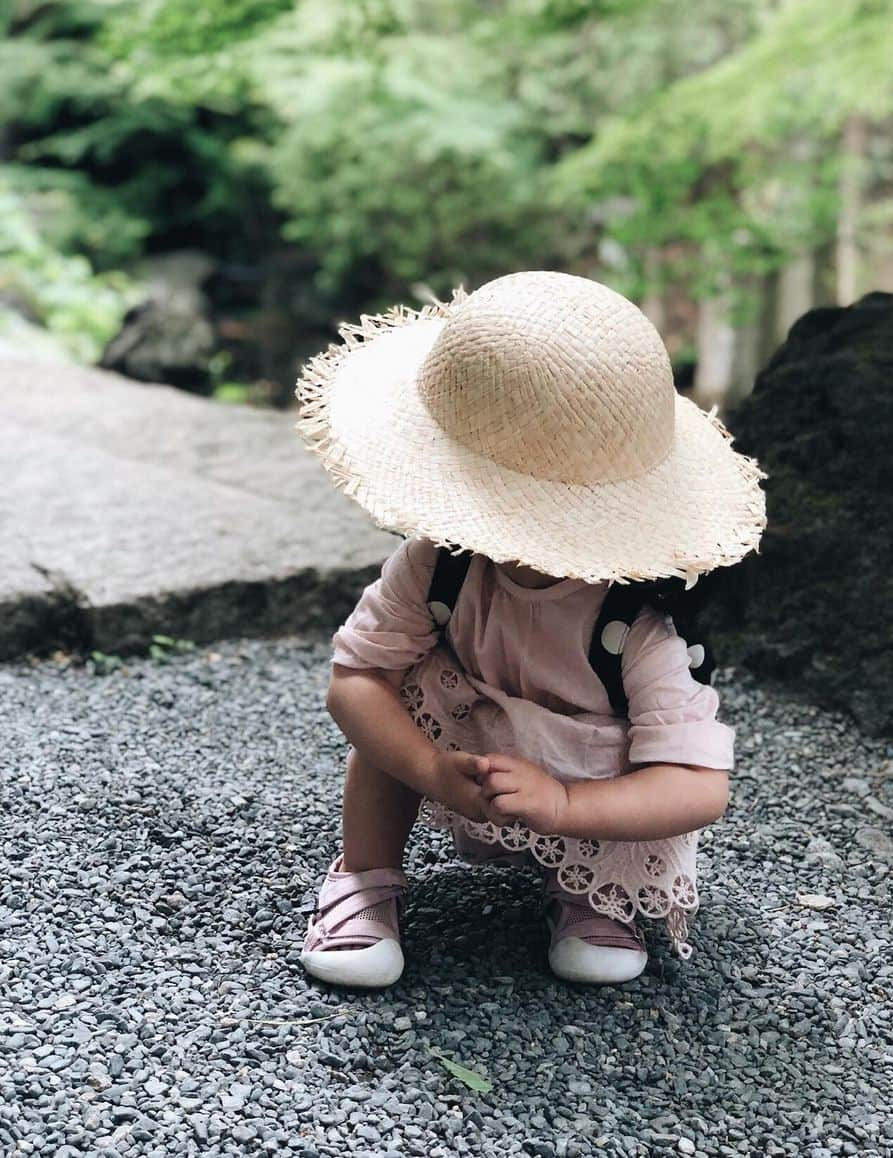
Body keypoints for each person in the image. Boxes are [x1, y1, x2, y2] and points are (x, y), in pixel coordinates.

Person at [295, 270, 766, 987]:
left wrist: (567, 805)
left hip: (594, 789)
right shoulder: (441, 566)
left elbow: (699, 786)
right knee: (396, 707)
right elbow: (356, 680)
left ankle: (592, 892)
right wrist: (426, 770)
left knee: (627, 787)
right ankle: (364, 877)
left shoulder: (635, 623)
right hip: (463, 749)